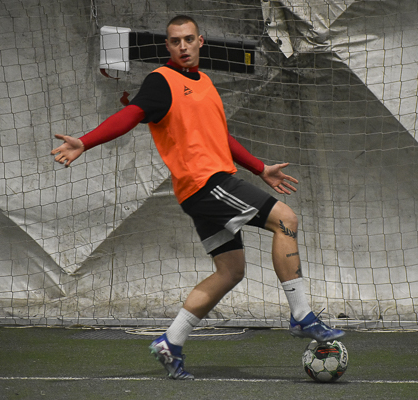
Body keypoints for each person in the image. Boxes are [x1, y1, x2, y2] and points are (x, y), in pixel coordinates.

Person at [51, 15, 345, 380]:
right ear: (168, 46)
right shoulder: (161, 81)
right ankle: (301, 315)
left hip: (204, 189)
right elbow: (131, 114)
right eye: (175, 41)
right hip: (206, 183)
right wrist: (85, 141)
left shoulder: (204, 83)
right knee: (285, 219)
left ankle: (170, 343)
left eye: (189, 39)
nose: (183, 46)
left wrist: (259, 168)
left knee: (231, 271)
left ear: (200, 41)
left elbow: (220, 136)